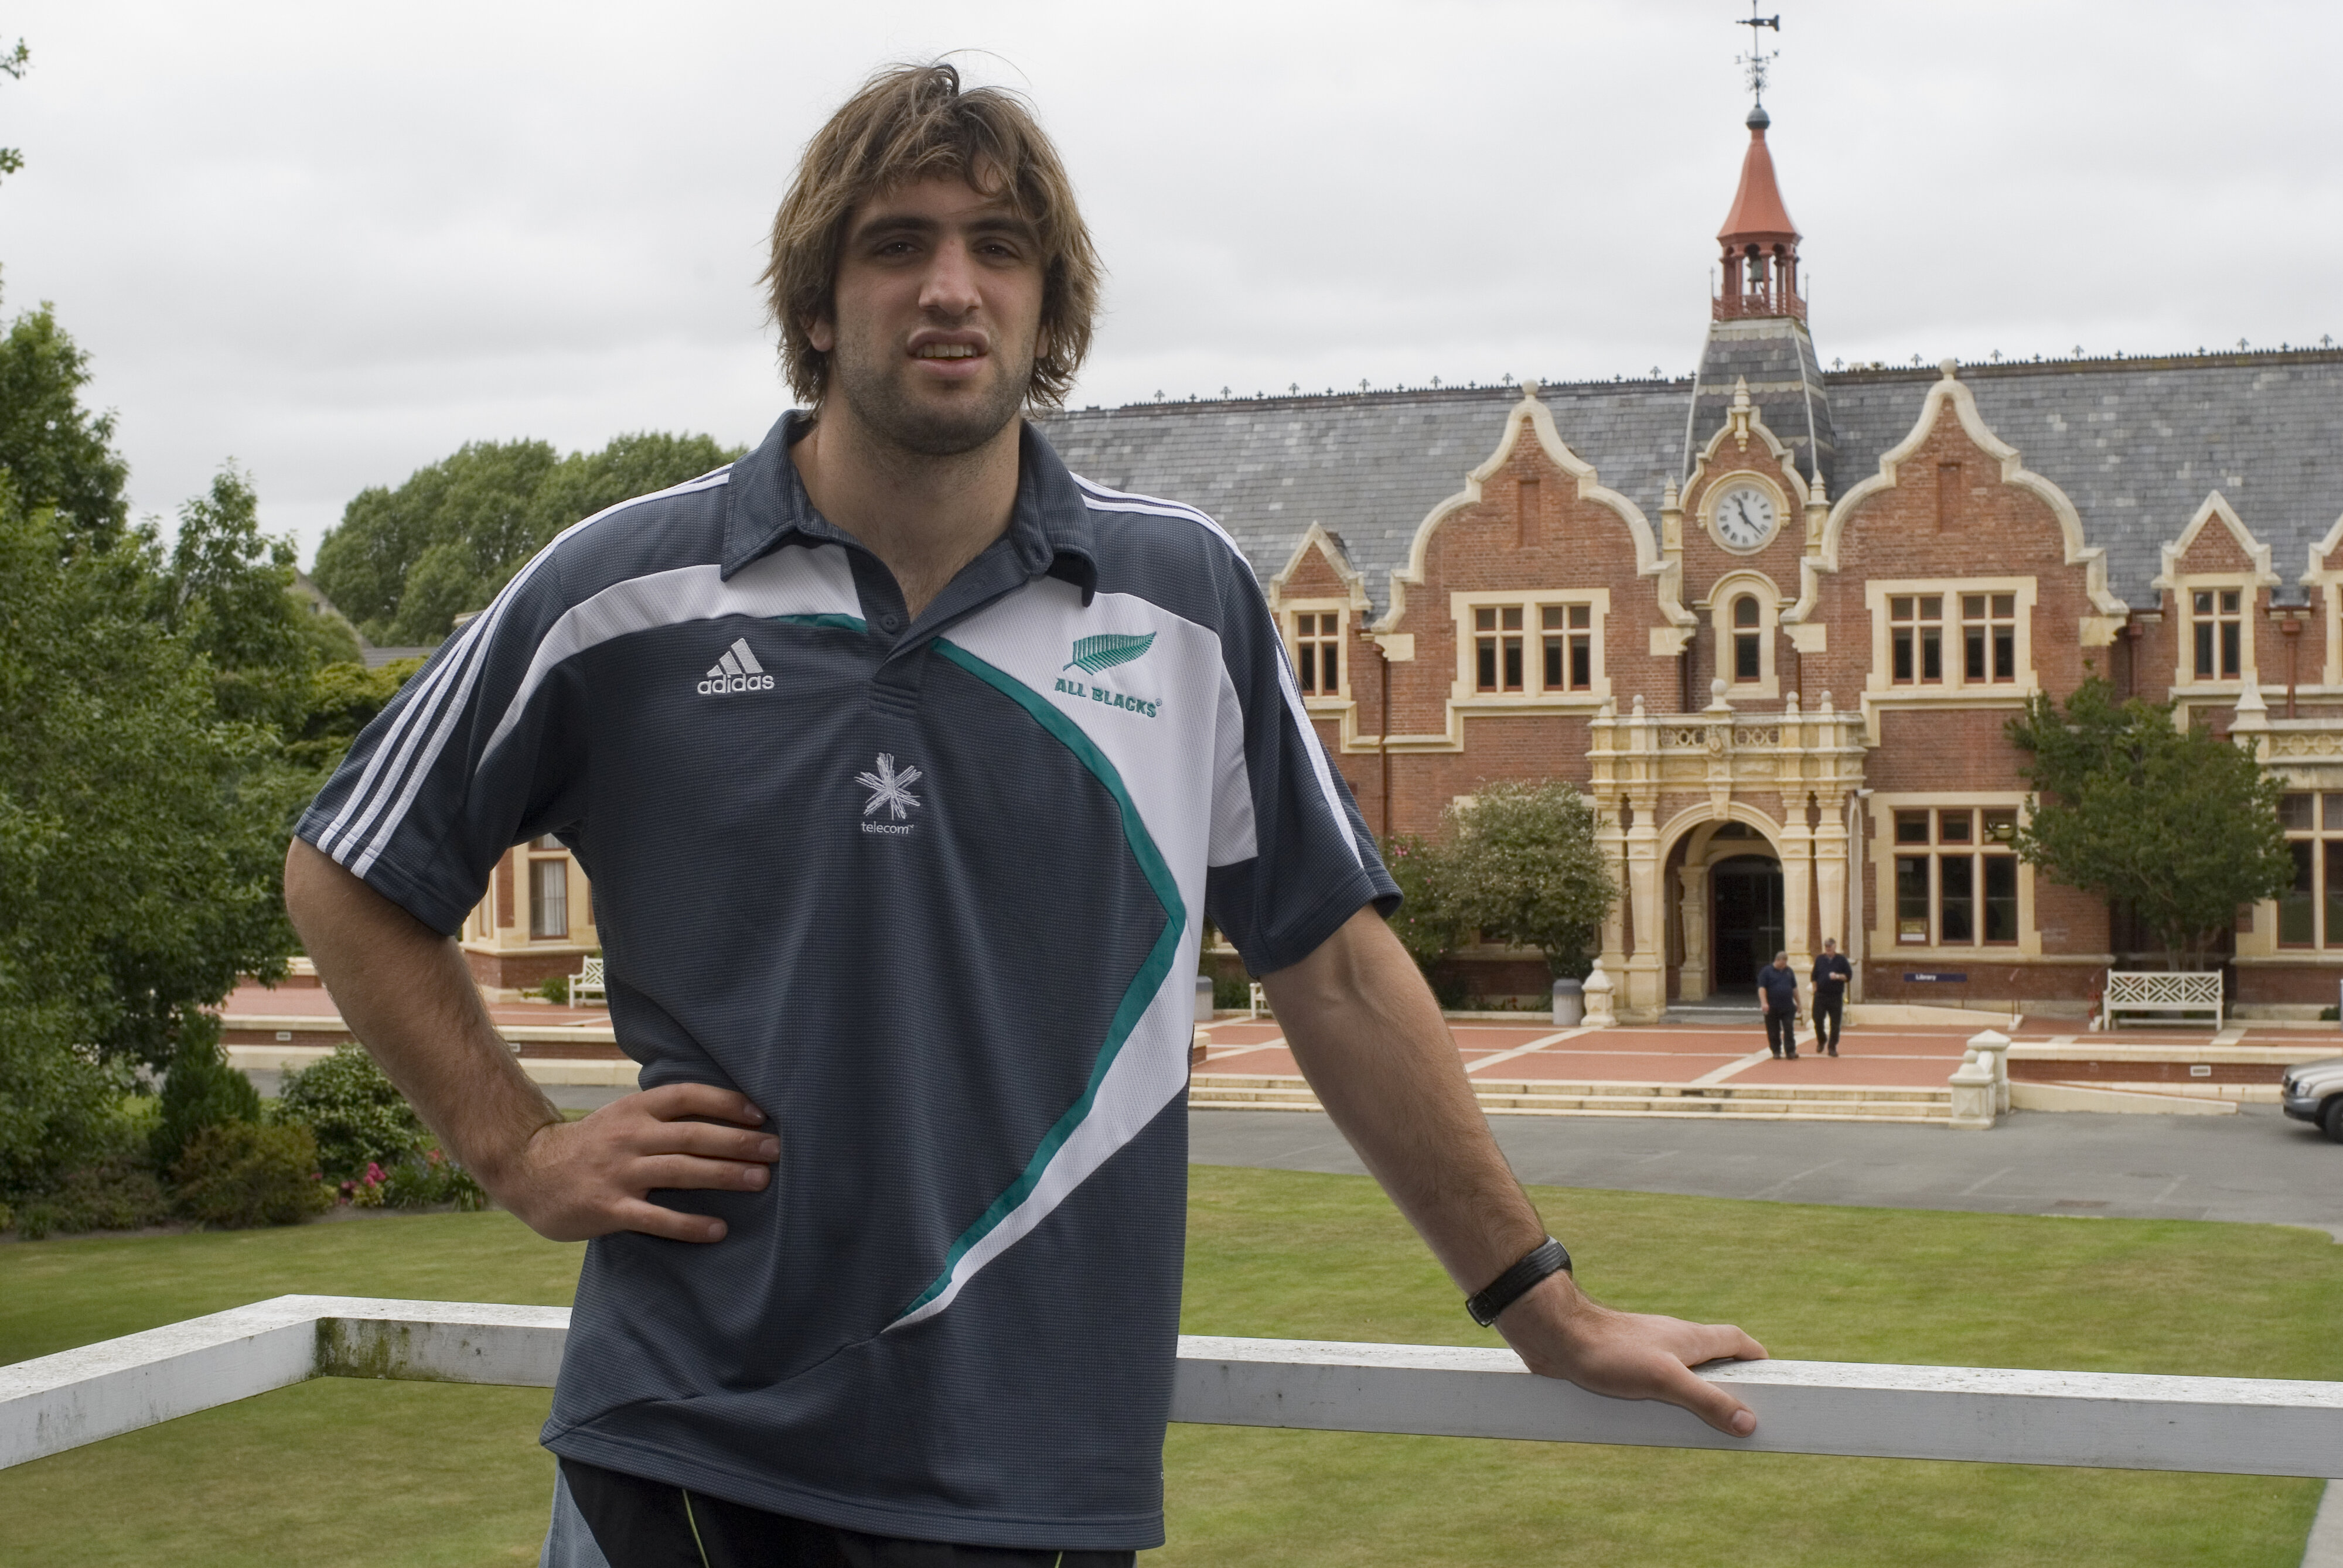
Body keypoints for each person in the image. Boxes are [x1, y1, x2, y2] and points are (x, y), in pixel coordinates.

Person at [281, 63, 1764, 1568]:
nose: (951, 288)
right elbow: (349, 870)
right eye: (896, 243)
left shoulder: (1180, 598)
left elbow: (1333, 966)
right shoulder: (626, 590)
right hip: (679, 1451)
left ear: (1047, 310)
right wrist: (522, 1151)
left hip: (1039, 1478)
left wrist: (1542, 1300)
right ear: (813, 304)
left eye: (999, 248)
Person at [1810, 937, 1852, 1057]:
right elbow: (1814, 976)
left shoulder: (1841, 960)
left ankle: (1832, 1046)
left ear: (1834, 947)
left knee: (1835, 1023)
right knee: (1817, 1019)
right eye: (1826, 946)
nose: (1828, 948)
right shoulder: (1820, 959)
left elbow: (1848, 976)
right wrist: (1815, 989)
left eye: (1830, 946)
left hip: (1835, 996)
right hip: (1821, 995)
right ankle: (1822, 1039)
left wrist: (1838, 976)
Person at [1757, 949, 1799, 1060]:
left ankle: (1790, 1051)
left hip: (1788, 1006)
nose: (1784, 965)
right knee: (1773, 1030)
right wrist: (1764, 1002)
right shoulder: (1766, 971)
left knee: (1789, 1028)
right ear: (1777, 960)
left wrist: (1799, 1003)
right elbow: (1762, 988)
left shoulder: (1789, 971)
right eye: (1782, 962)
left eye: (1785, 962)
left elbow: (1794, 988)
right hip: (1772, 1006)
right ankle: (1776, 1050)